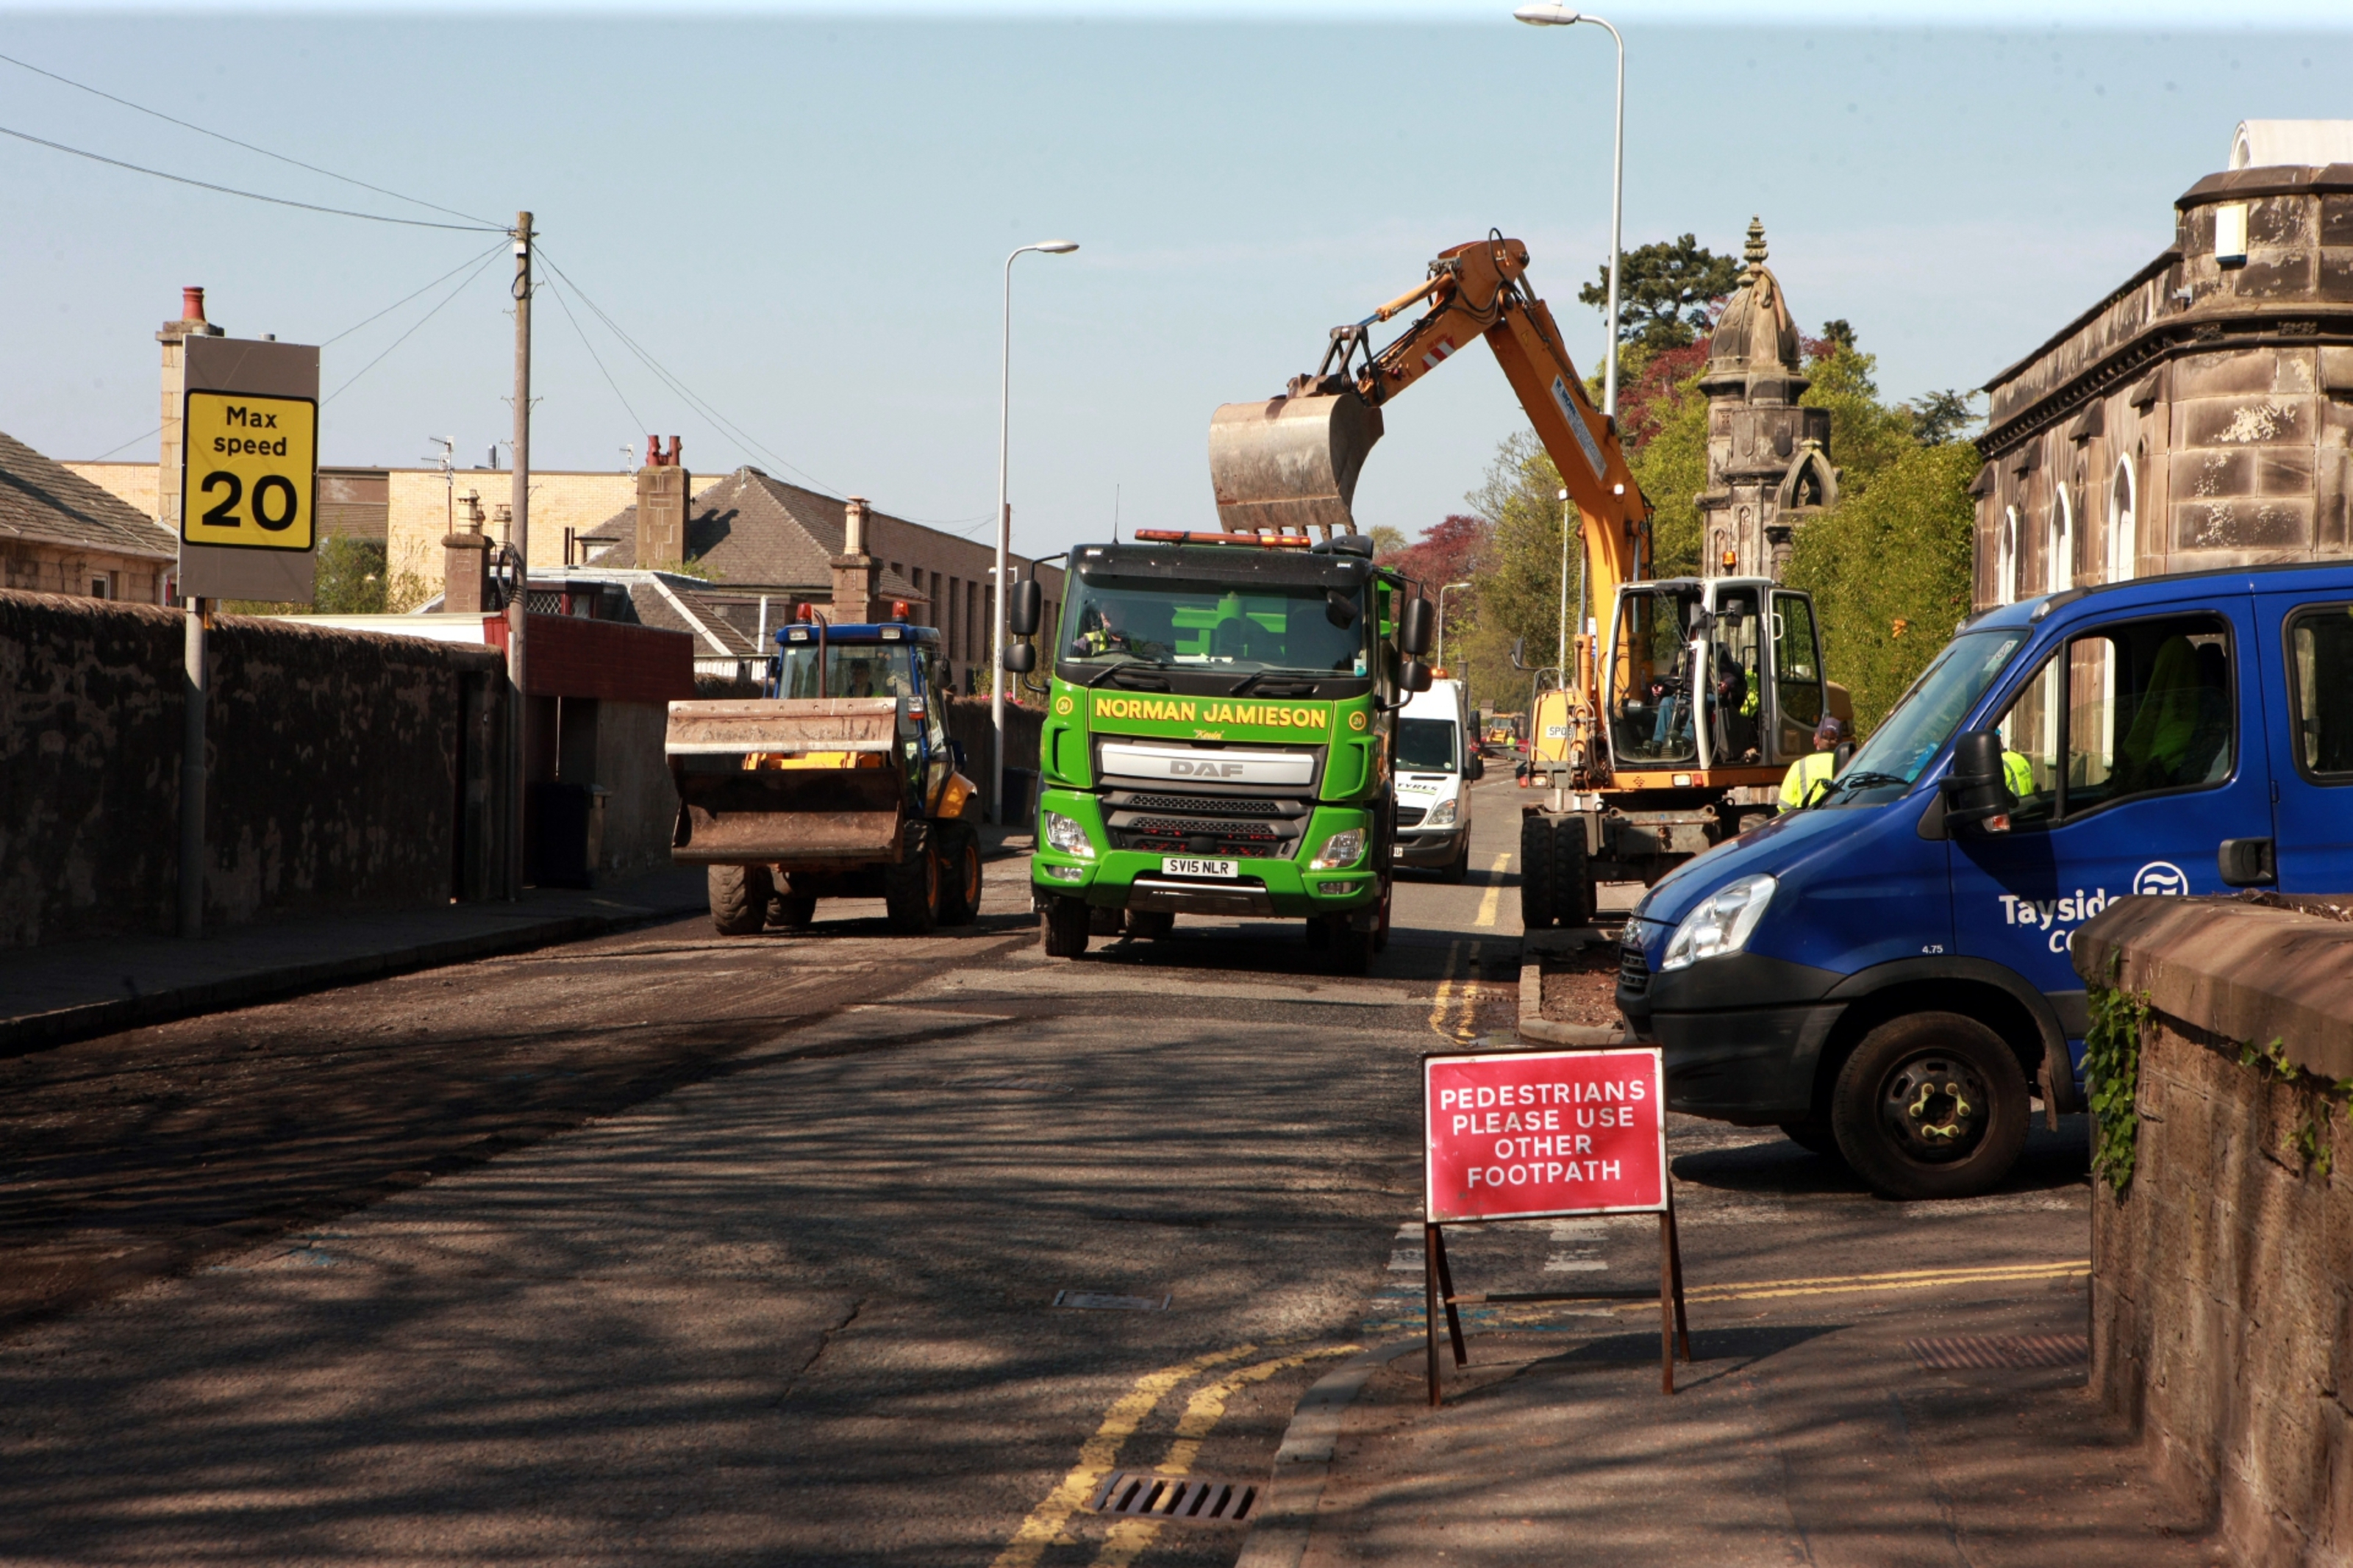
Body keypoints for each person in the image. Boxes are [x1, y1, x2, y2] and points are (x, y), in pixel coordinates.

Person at [1777, 716, 1846, 812]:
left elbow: (1784, 806)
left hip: (1806, 823)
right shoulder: (1849, 764)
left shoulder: (1798, 766)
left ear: (1815, 740)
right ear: (1841, 743)